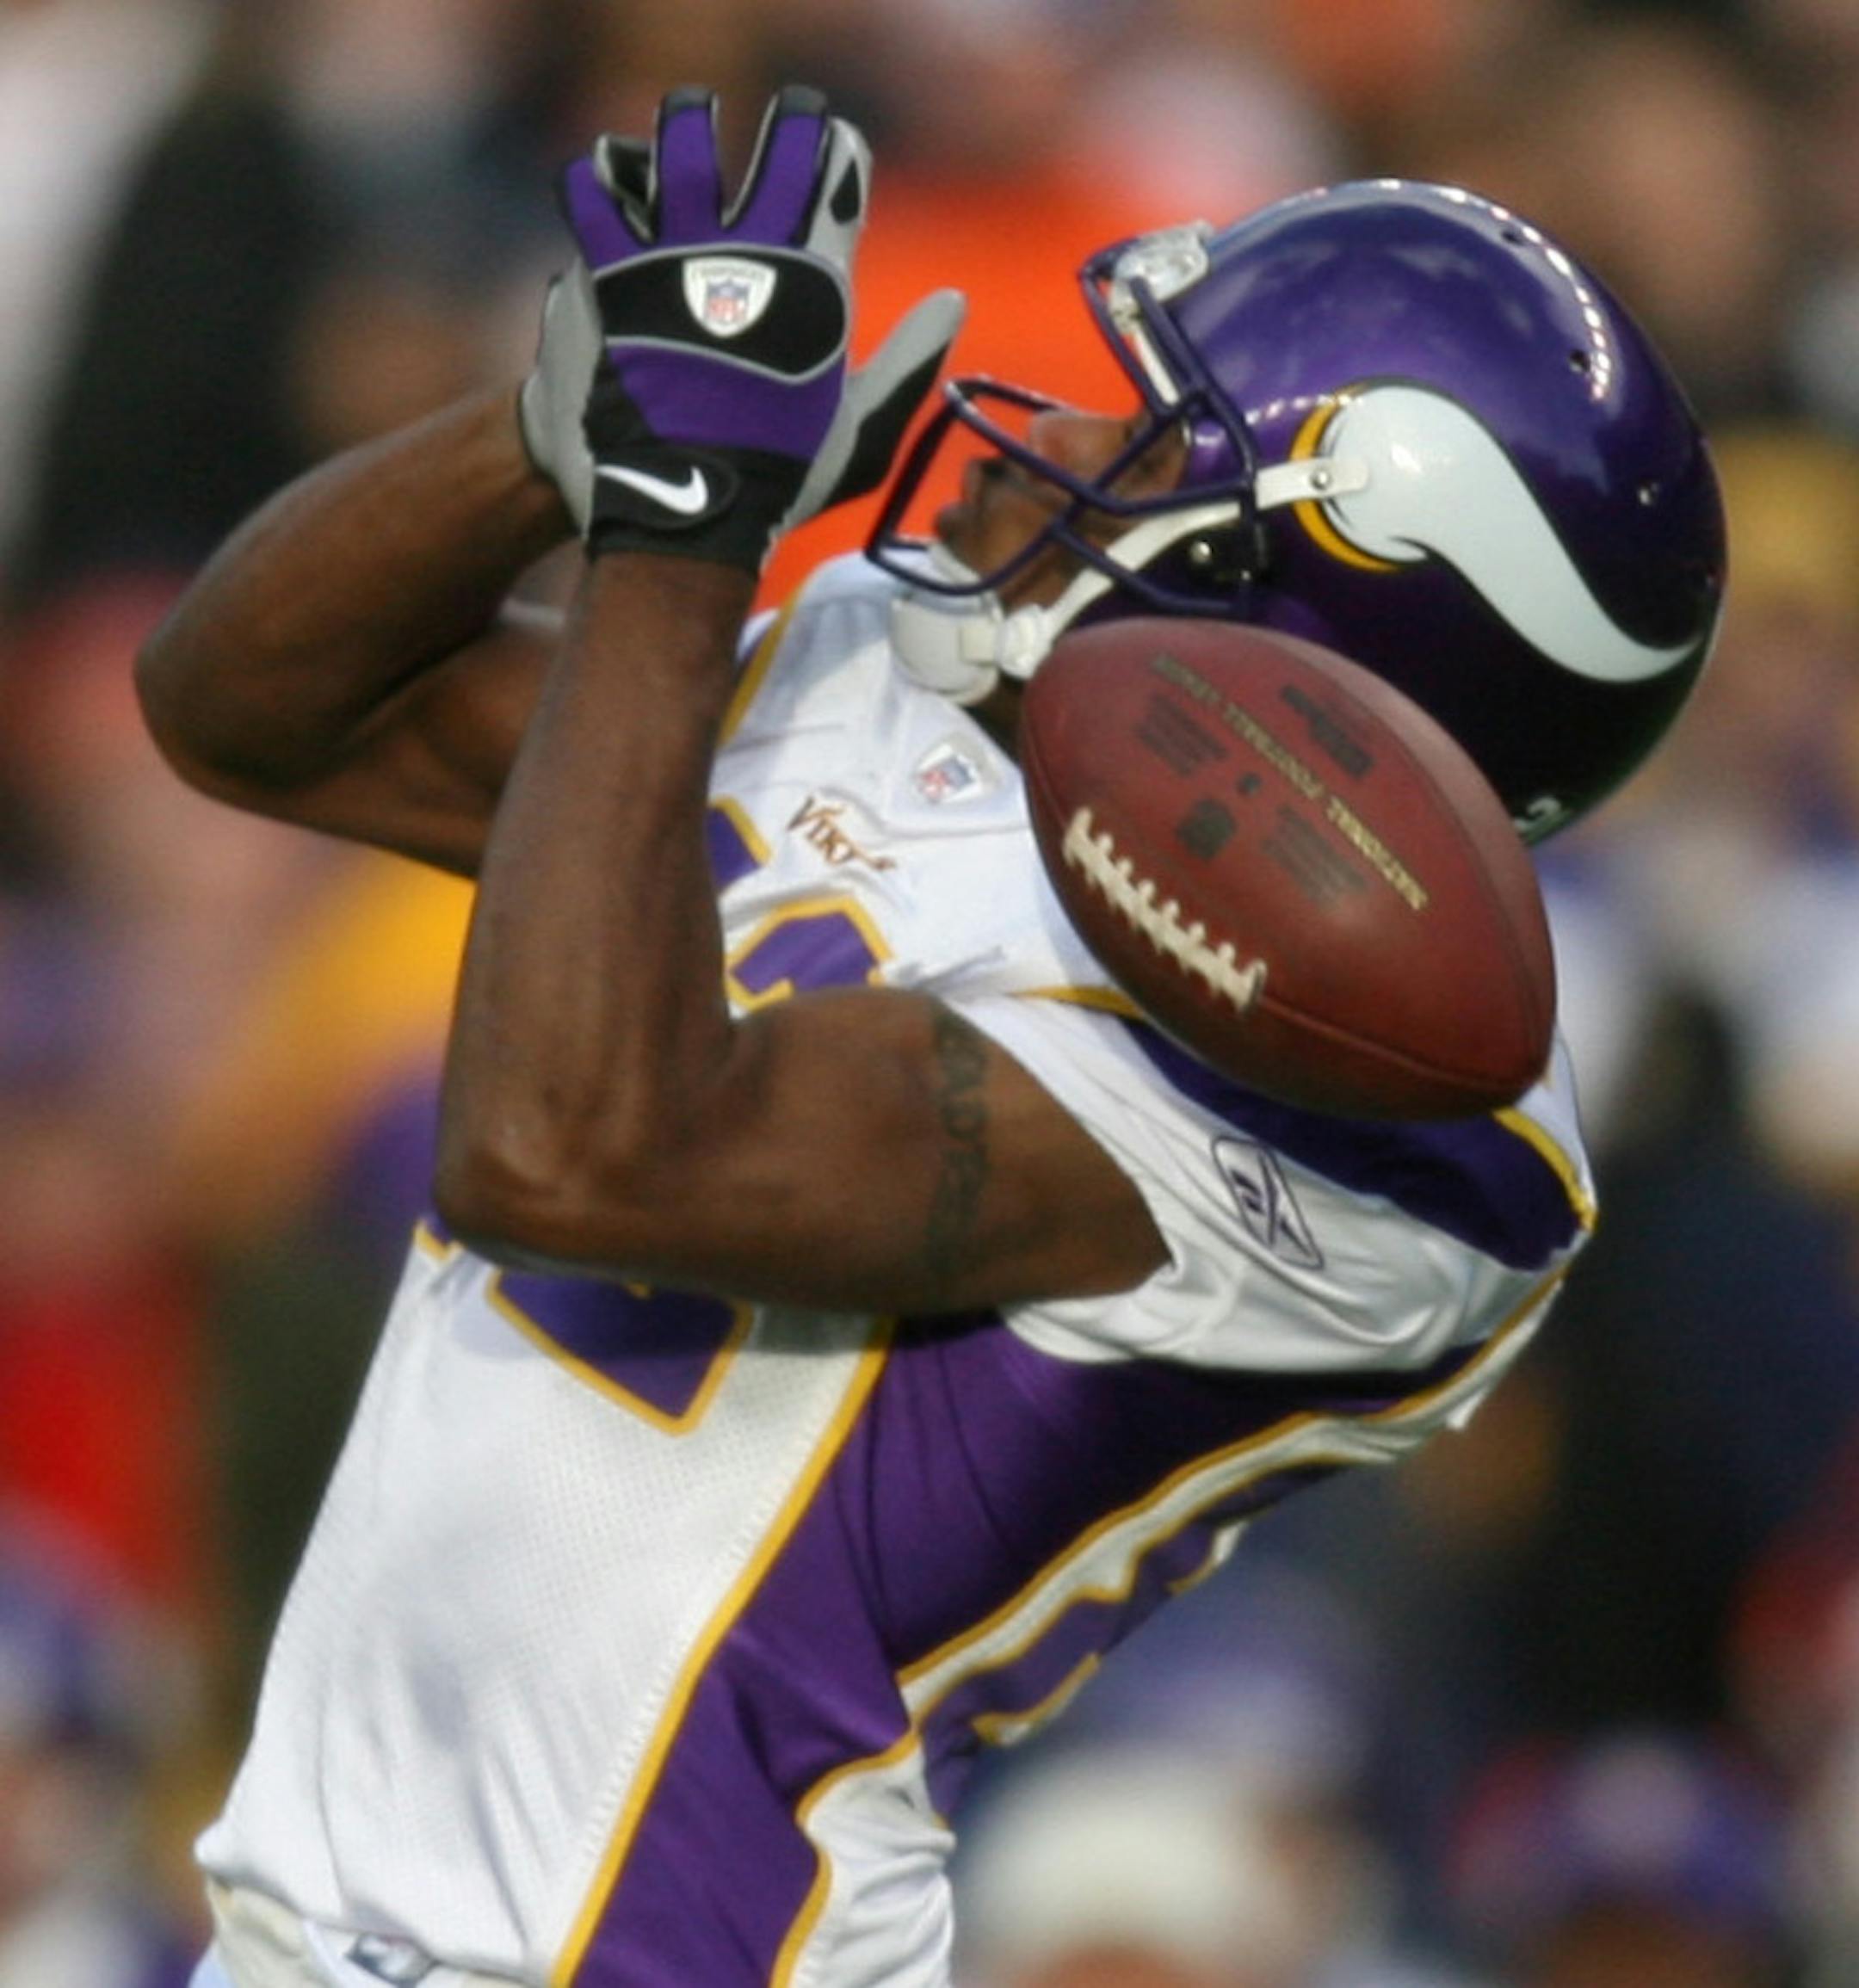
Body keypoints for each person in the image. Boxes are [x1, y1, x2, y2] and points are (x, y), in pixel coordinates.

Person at [139, 87, 1723, 1988]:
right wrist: (567, 430)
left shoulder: (1381, 1129)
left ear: (1321, 608)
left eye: (1151, 440)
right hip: (310, 1927)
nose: (1051, 434)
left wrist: (683, 530)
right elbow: (245, 708)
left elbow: (574, 1150)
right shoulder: (906, 656)